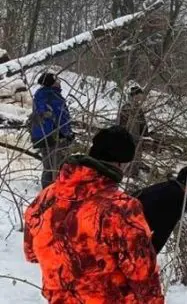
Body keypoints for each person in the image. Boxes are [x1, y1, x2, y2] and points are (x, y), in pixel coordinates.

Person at [23, 125, 165, 304]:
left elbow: (31, 253)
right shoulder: (121, 208)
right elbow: (143, 275)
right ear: (121, 164)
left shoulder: (47, 196)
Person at [134, 164, 187, 253]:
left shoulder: (163, 186)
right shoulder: (181, 198)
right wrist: (150, 255)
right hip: (131, 234)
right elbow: (164, 230)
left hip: (122, 223)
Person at [29, 72, 74, 188]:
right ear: (52, 83)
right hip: (54, 136)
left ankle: (46, 191)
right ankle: (54, 192)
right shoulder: (53, 96)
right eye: (57, 80)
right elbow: (61, 117)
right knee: (58, 167)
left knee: (48, 167)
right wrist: (68, 133)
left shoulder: (39, 95)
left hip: (41, 136)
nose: (59, 82)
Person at [118, 85, 150, 177]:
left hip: (136, 136)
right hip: (130, 136)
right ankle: (128, 174)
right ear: (134, 95)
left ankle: (133, 173)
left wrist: (145, 133)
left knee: (136, 155)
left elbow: (143, 123)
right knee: (130, 155)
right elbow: (123, 123)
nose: (140, 97)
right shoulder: (127, 107)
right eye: (139, 95)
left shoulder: (138, 108)